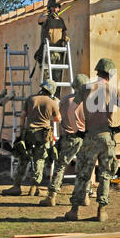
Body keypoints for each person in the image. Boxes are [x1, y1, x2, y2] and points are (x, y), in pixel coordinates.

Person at [64, 58, 120, 222]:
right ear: (110, 74)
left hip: (89, 136)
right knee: (105, 175)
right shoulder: (114, 90)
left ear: (97, 71)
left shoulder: (86, 88)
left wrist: (77, 131)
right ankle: (101, 211)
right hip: (107, 137)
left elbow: (71, 111)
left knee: (83, 174)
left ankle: (74, 211)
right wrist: (118, 129)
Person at [39, 74, 92, 207]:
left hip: (69, 137)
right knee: (84, 167)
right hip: (85, 138)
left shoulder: (66, 100)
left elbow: (58, 116)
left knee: (60, 166)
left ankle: (52, 196)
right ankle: (85, 197)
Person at [2, 79, 61, 196]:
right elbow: (57, 119)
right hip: (44, 135)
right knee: (39, 159)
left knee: (24, 159)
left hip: (28, 133)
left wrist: (21, 130)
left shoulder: (30, 99)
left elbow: (23, 116)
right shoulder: (52, 102)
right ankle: (34, 187)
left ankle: (16, 186)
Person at [35, 0, 69, 97]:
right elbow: (40, 20)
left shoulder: (61, 20)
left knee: (57, 77)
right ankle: (45, 96)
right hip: (47, 52)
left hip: (58, 52)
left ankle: (56, 97)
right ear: (49, 8)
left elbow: (64, 32)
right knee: (47, 76)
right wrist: (47, 15)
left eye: (57, 8)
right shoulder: (46, 18)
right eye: (54, 8)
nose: (56, 10)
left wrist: (65, 38)